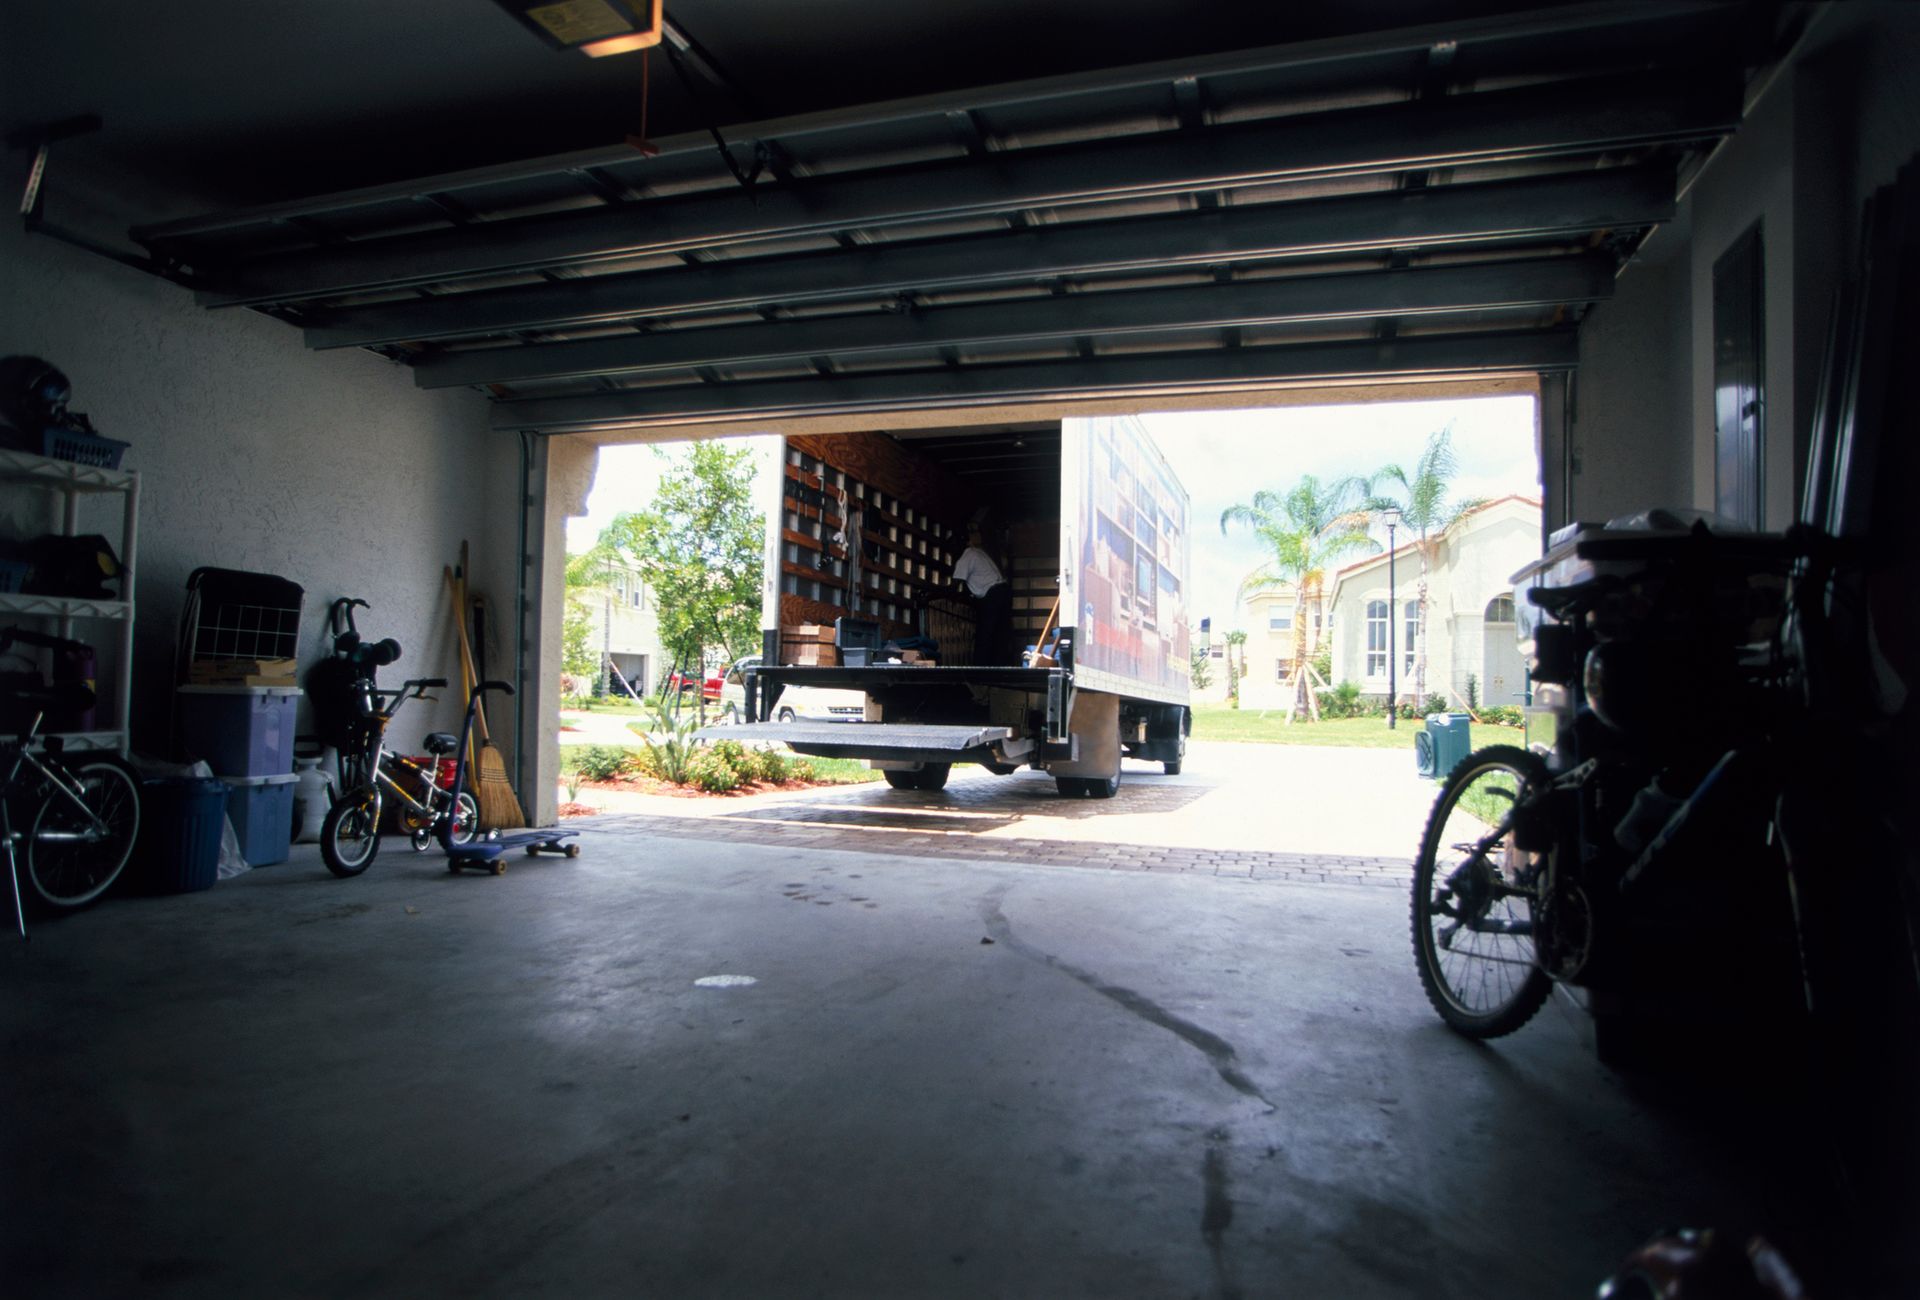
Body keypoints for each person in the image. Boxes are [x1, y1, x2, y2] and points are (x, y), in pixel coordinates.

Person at [952, 525, 1013, 664]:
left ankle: (980, 671)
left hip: (993, 595)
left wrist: (938, 594)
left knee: (984, 634)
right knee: (1000, 634)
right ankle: (1000, 668)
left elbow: (955, 584)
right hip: (1002, 592)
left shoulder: (967, 555)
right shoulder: (978, 553)